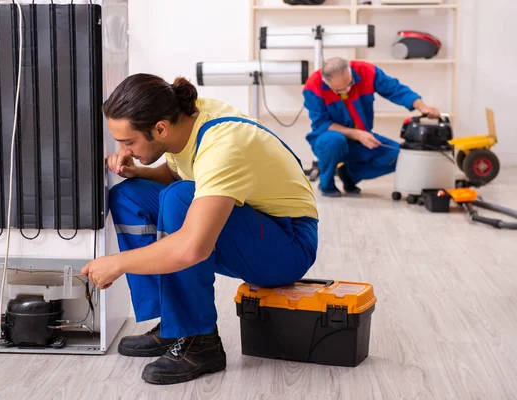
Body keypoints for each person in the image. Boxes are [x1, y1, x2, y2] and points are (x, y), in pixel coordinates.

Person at [81, 73, 319, 385]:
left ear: (160, 129)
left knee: (180, 199)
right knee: (128, 195)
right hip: (252, 223)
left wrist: (116, 264)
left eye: (129, 141)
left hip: (288, 244)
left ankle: (200, 341)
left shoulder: (223, 145)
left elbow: (193, 247)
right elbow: (185, 170)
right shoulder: (185, 118)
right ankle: (174, 325)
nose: (123, 149)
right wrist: (139, 170)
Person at [303, 57, 441, 197]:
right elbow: (322, 123)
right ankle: (326, 184)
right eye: (339, 90)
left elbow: (395, 89)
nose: (346, 91)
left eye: (349, 84)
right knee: (334, 141)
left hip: (362, 137)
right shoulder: (313, 87)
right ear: (326, 82)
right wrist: (356, 134)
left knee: (401, 156)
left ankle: (349, 175)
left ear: (350, 72)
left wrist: (423, 108)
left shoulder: (367, 71)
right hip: (328, 138)